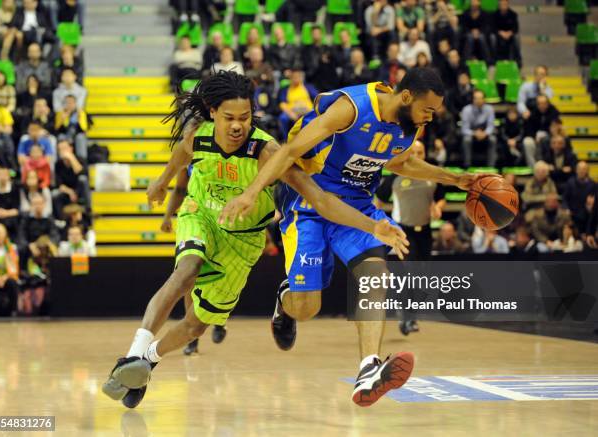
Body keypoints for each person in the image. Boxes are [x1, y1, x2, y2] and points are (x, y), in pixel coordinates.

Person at [101, 71, 410, 409]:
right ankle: (132, 352)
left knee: (194, 327)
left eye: (245, 117)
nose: (238, 125)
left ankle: (145, 361)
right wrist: (161, 183)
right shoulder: (197, 137)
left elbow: (320, 201)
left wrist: (371, 226)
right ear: (212, 111)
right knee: (185, 271)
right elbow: (178, 160)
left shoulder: (266, 151)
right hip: (201, 214)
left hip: (244, 240)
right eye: (230, 117)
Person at [219, 68, 488, 406]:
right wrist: (251, 193)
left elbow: (400, 164)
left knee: (375, 272)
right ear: (406, 97)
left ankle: (368, 368)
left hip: (356, 207)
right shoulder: (353, 108)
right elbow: (288, 152)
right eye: (428, 110)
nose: (430, 119)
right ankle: (286, 300)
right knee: (306, 308)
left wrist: (455, 179)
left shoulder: (410, 125)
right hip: (309, 203)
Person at [374, 140, 446, 335]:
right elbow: (378, 199)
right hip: (404, 231)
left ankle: (408, 314)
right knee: (412, 272)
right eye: (413, 152)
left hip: (425, 231)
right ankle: (408, 318)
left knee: (422, 276)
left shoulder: (431, 174)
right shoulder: (396, 176)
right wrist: (377, 223)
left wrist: (438, 207)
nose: (417, 156)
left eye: (420, 152)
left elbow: (441, 196)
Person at [160, 165, 227, 355]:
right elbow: (180, 189)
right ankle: (192, 339)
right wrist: (167, 217)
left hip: (222, 220)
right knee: (190, 279)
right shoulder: (189, 151)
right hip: (196, 220)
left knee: (220, 279)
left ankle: (219, 319)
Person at [460, 89, 497, 167]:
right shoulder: (466, 110)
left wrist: (485, 133)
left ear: (484, 100)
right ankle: (467, 166)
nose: (478, 100)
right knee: (466, 140)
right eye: (476, 98)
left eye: (480, 98)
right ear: (473, 99)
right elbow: (464, 129)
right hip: (472, 134)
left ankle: (491, 167)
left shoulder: (489, 109)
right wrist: (475, 133)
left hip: (485, 134)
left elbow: (491, 126)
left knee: (493, 139)